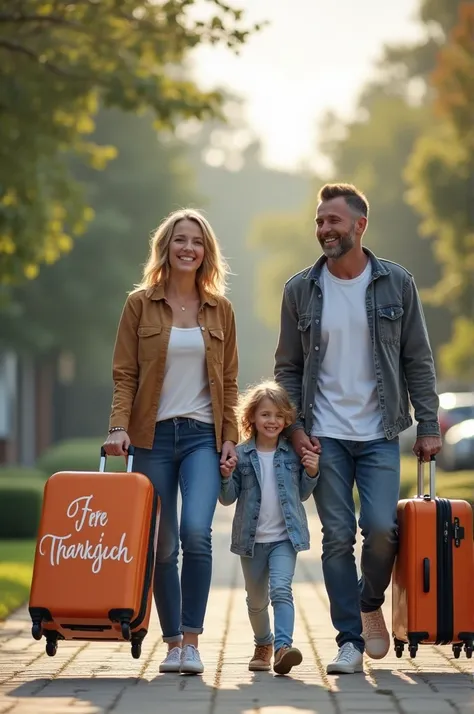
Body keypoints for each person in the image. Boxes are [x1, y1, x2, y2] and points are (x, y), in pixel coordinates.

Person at [274, 183, 442, 674]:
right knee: (336, 536)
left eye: (334, 221)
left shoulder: (397, 283)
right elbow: (287, 366)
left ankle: (370, 603)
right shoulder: (300, 289)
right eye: (320, 221)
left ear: (359, 225)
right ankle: (348, 639)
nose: (325, 229)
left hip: (379, 432)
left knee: (382, 529)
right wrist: (295, 427)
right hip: (324, 434)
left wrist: (429, 425)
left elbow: (419, 360)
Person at [103, 208, 239, 675]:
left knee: (196, 534)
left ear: (206, 252)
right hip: (152, 438)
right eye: (180, 239)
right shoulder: (140, 305)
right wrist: (118, 427)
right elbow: (125, 374)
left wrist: (230, 438)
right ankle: (173, 642)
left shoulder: (220, 309)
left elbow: (231, 381)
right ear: (166, 247)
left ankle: (195, 640)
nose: (188, 248)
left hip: (202, 436)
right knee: (162, 545)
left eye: (196, 241)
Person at [219, 380, 320, 675]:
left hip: (284, 538)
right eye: (265, 414)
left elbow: (302, 492)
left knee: (281, 590)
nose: (272, 421)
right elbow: (227, 499)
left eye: (278, 415)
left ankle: (283, 648)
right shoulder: (241, 455)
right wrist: (225, 476)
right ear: (251, 417)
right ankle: (263, 643)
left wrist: (312, 471)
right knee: (256, 601)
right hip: (251, 542)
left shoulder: (291, 454)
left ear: (287, 419)